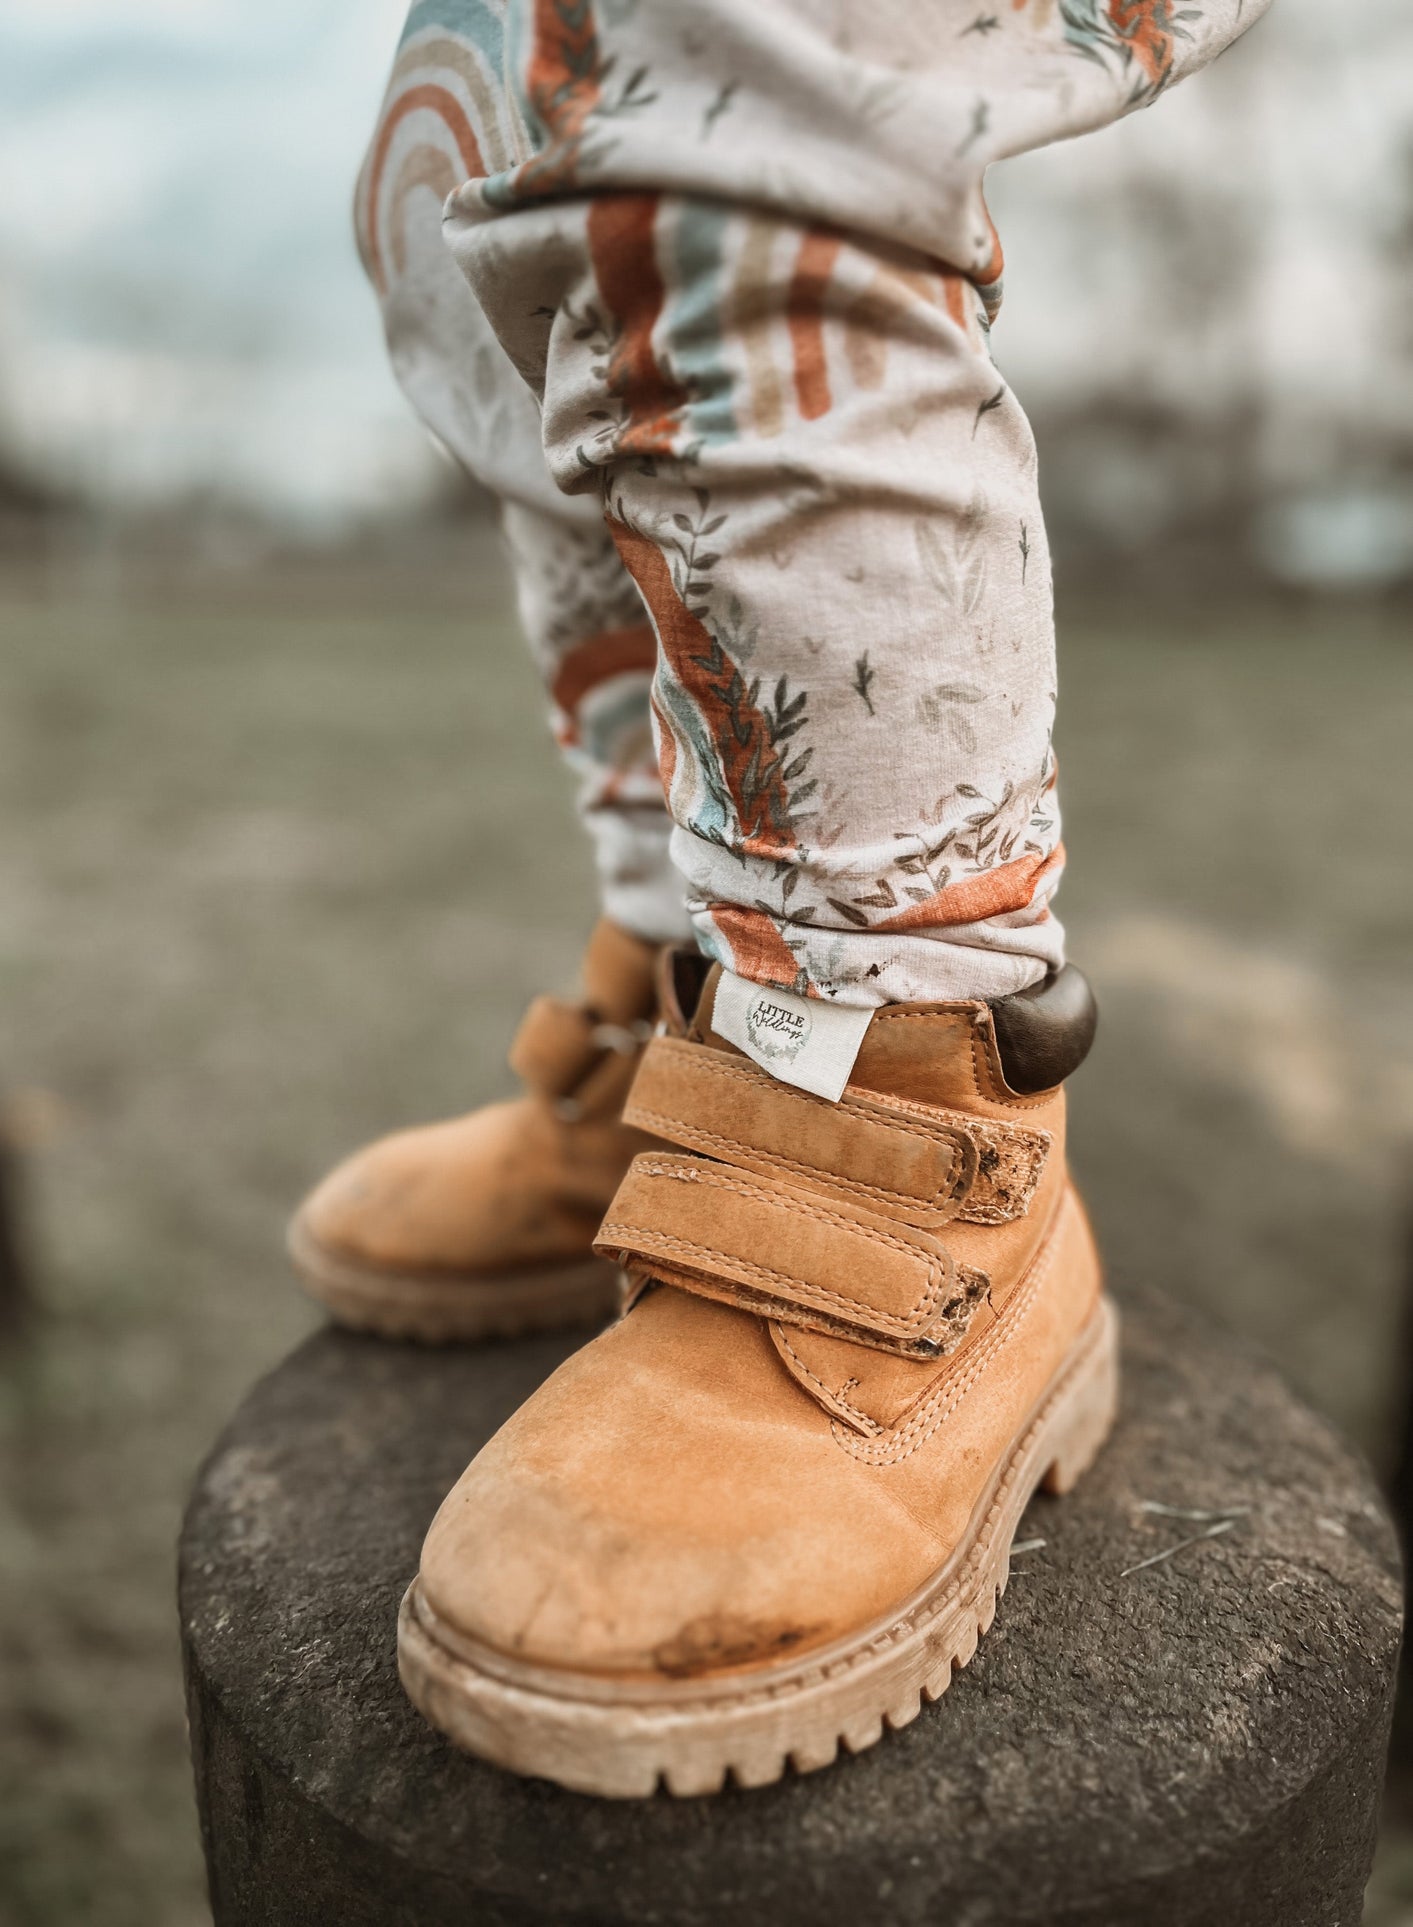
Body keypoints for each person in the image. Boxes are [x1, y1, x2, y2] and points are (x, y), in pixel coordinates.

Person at [291, 0, 1272, 1796]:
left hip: (923, 1118)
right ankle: (708, 995)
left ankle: (916, 1113)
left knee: (719, 80)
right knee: (482, 157)